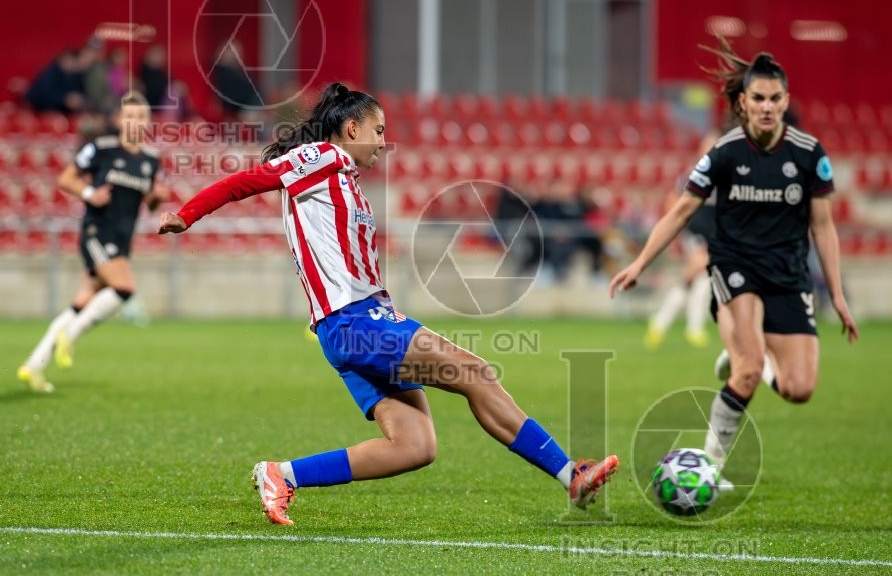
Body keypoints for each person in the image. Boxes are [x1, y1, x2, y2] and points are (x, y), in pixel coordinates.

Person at [158, 82, 619, 525]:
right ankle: (570, 474)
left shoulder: (342, 178)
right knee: (476, 374)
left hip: (350, 328)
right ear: (352, 129)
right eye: (378, 131)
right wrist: (186, 214)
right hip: (357, 324)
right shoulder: (322, 157)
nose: (383, 142)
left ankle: (283, 474)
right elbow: (247, 182)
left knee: (415, 446)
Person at [609, 37, 858, 488]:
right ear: (743, 102)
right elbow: (682, 209)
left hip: (788, 274)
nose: (766, 107)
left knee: (799, 389)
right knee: (746, 370)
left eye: (774, 98)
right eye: (757, 98)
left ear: (785, 100)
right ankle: (710, 465)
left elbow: (823, 226)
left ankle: (756, 363)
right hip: (734, 264)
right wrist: (641, 263)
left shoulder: (809, 154)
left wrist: (837, 295)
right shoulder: (724, 152)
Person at [17, 92, 168, 392]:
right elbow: (66, 179)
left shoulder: (151, 159)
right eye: (130, 116)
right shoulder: (102, 148)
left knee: (80, 303)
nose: (135, 122)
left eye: (141, 117)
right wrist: (89, 194)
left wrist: (156, 198)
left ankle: (33, 366)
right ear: (118, 120)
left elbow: (147, 202)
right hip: (97, 231)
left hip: (123, 238)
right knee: (124, 289)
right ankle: (70, 337)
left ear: (148, 122)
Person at [643, 132, 719, 350]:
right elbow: (674, 203)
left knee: (698, 280)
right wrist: (676, 232)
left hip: (713, 234)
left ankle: (661, 324)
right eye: (708, 146)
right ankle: (691, 329)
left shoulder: (726, 175)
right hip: (695, 232)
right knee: (701, 273)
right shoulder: (692, 175)